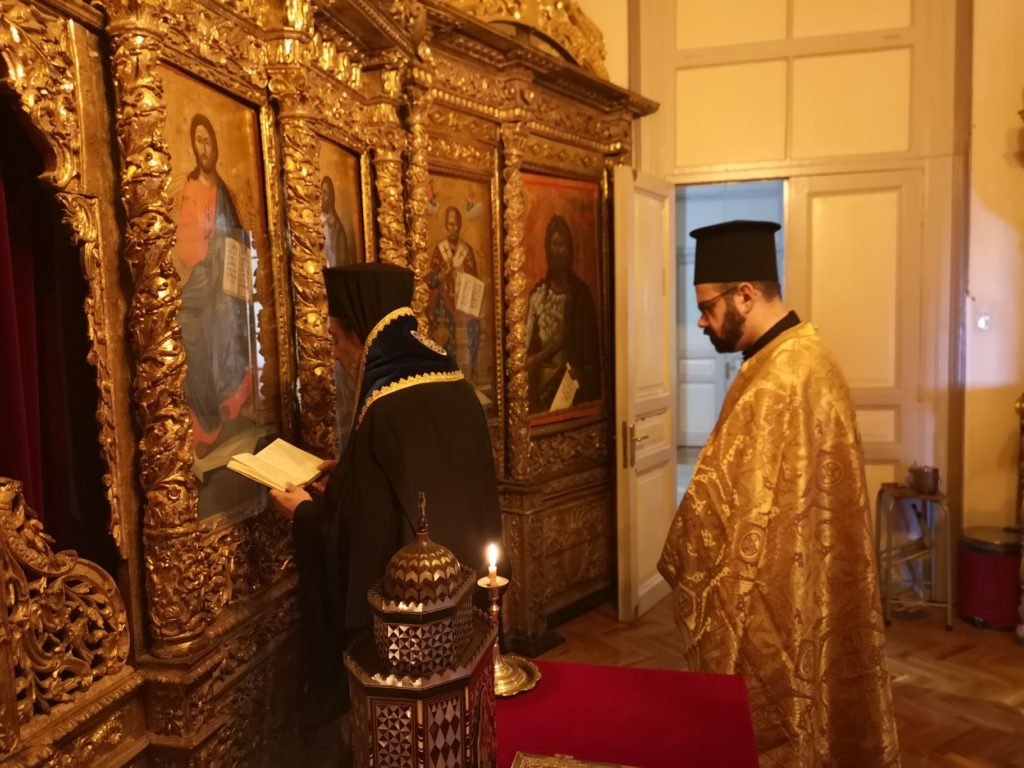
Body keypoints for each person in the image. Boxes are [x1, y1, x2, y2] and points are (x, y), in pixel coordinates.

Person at [657, 220, 900, 767]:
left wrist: (689, 544)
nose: (701, 320)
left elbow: (726, 506)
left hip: (779, 595)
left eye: (709, 306)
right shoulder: (804, 357)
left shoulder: (778, 381)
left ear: (745, 293)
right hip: (808, 577)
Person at [270, 262, 502, 764]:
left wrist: (306, 513)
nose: (336, 354)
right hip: (465, 598)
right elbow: (415, 476)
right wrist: (348, 469)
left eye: (336, 339)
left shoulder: (385, 402)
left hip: (415, 624)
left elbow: (360, 532)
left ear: (362, 330)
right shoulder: (449, 374)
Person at [174, 113, 253, 457]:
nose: (204, 148)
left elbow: (237, 237)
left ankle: (228, 411)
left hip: (227, 285)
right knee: (193, 334)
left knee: (229, 338)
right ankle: (205, 427)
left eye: (208, 141)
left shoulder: (225, 193)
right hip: (202, 280)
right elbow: (185, 241)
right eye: (198, 141)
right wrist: (205, 255)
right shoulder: (190, 189)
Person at [525, 214, 600, 413]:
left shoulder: (581, 295)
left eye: (562, 245)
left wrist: (580, 374)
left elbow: (592, 354)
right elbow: (527, 354)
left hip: (573, 392)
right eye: (553, 244)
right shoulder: (538, 295)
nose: (557, 250)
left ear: (570, 251)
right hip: (541, 393)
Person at [426, 205, 481, 379]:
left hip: (464, 306)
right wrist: (445, 273)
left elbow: (474, 282)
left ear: (460, 226)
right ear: (445, 225)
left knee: (475, 326)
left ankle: (468, 376)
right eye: (449, 225)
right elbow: (431, 281)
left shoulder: (467, 251)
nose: (452, 228)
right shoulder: (439, 250)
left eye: (455, 225)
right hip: (443, 307)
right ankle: (446, 377)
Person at [321, 176, 352, 267]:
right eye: (321, 192)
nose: (323, 197)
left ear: (330, 197)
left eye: (326, 193)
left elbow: (341, 260)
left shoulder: (337, 228)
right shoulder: (316, 222)